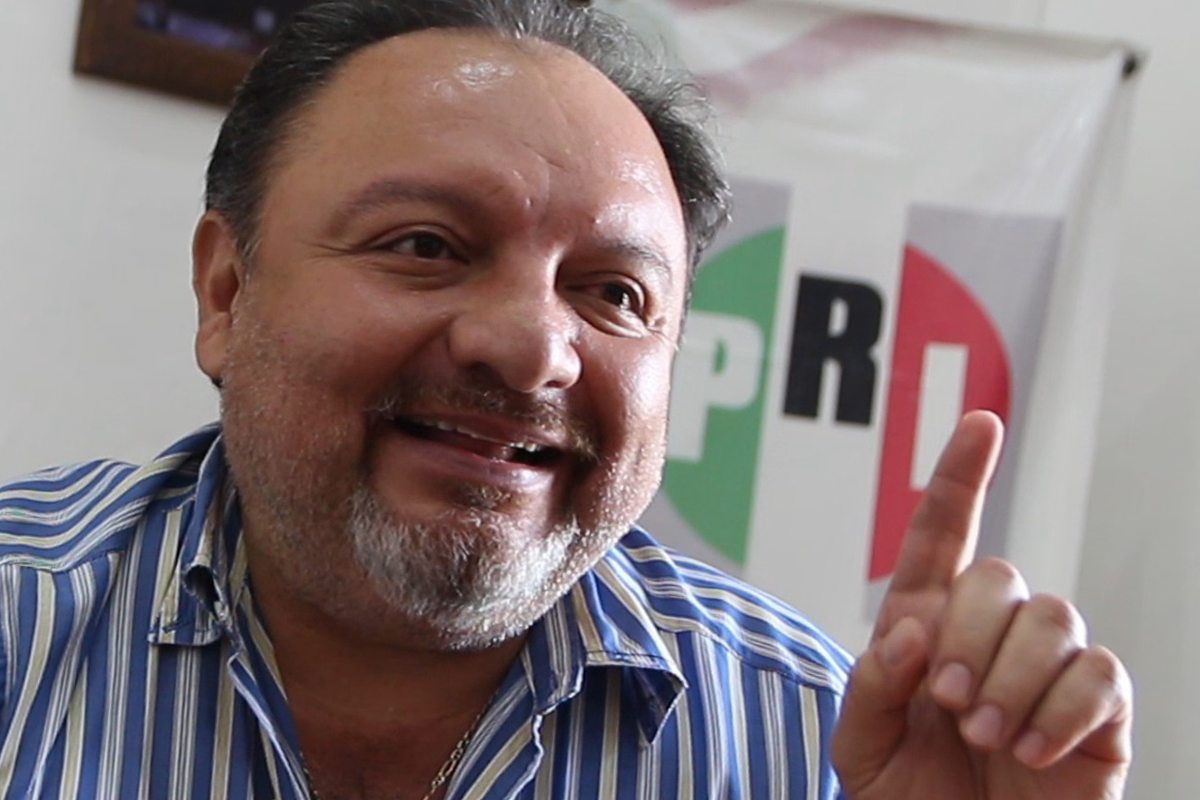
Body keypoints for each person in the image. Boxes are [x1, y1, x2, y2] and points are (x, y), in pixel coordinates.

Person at [0, 0, 1131, 798]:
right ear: (227, 289)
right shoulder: (20, 626)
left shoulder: (811, 743)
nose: (533, 348)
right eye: (427, 244)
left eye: (614, 294)